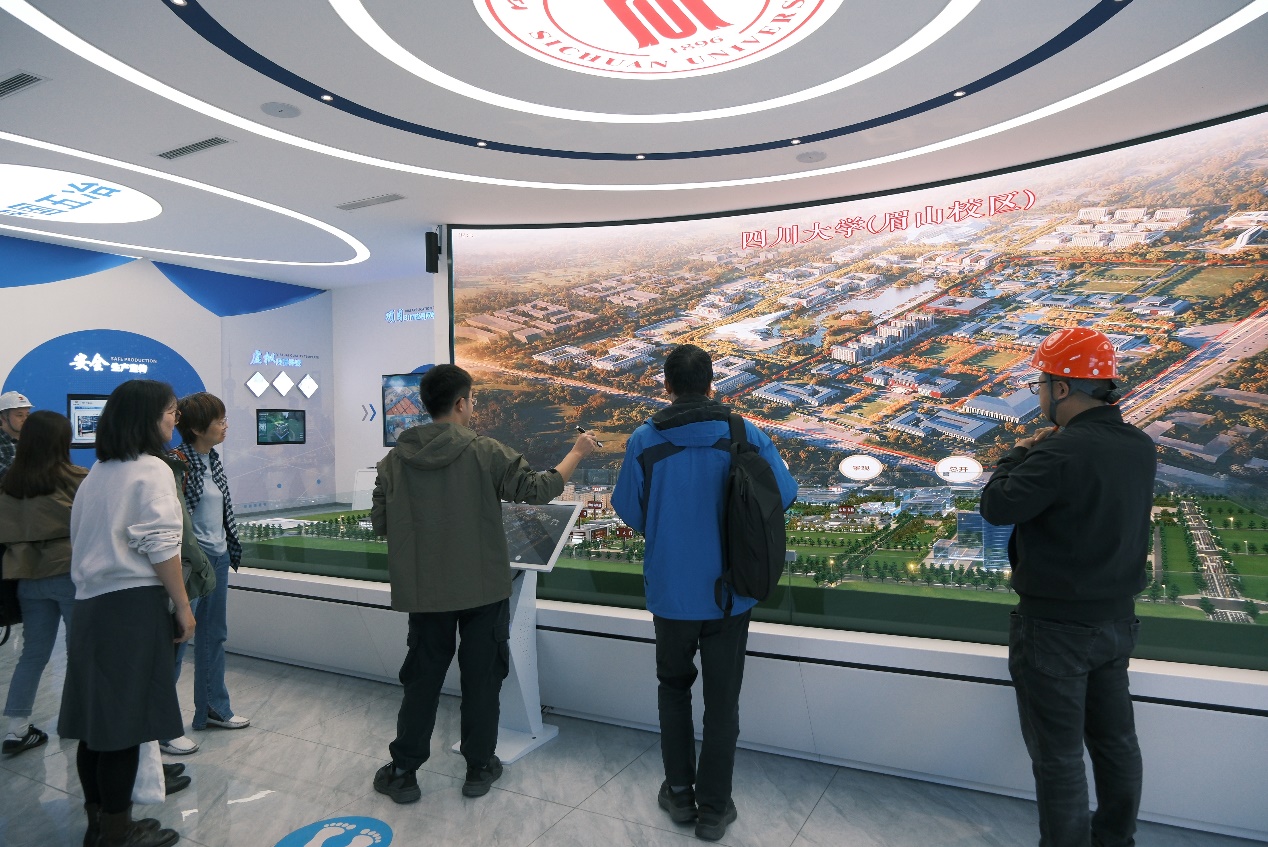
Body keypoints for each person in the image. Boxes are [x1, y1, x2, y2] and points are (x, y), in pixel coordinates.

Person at [370, 364, 597, 803]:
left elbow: (383, 523)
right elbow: (539, 489)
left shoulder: (394, 461)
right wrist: (577, 451)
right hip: (483, 590)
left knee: (422, 680)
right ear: (460, 403)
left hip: (425, 591)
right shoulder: (485, 451)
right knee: (482, 679)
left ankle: (403, 771)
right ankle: (478, 768)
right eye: (472, 400)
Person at [612, 344, 798, 842]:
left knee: (673, 691)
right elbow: (784, 494)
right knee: (722, 702)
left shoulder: (644, 440)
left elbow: (630, 510)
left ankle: (679, 793)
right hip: (731, 593)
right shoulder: (745, 433)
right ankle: (714, 809)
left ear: (667, 386)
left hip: (671, 593)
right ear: (712, 384)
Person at [980, 327, 1156, 847]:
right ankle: (1116, 840)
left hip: (1055, 628)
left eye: (1040, 384)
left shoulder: (1060, 452)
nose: (1038, 395)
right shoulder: (1139, 446)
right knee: (1116, 743)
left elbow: (997, 506)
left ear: (1061, 388)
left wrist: (1016, 454)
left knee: (1058, 759)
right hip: (1116, 622)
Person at [60, 380, 193, 847]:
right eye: (170, 411)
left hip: (89, 607)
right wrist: (183, 606)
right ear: (147, 417)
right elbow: (161, 545)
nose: (174, 419)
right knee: (124, 724)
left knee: (94, 724)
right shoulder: (152, 469)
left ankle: (99, 824)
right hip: (131, 607)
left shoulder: (97, 472)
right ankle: (119, 831)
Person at [159, 392, 249, 757]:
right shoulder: (175, 464)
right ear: (197, 428)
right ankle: (162, 725)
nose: (225, 426)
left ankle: (213, 708)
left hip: (218, 557)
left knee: (214, 635)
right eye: (219, 421)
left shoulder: (213, 460)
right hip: (189, 563)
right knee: (179, 639)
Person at [0, 411, 87, 756]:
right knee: (80, 652)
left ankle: (16, 728)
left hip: (27, 576)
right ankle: (76, 720)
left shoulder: (9, 483)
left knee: (32, 655)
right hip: (70, 572)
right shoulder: (77, 478)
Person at [0, 390, 33, 478]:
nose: (25, 419)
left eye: (27, 415)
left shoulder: (33, 440)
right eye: (19, 415)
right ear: (3, 417)